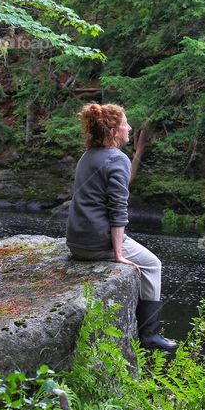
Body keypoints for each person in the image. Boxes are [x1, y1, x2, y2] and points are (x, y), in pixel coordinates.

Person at [65, 102, 177, 352]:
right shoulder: (117, 158)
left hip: (76, 242)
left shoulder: (88, 155)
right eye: (125, 123)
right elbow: (118, 210)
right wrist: (118, 254)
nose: (129, 127)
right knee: (153, 264)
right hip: (96, 243)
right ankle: (149, 335)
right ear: (114, 130)